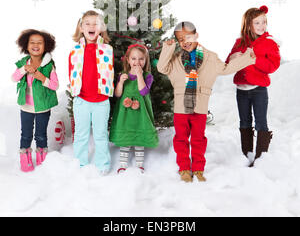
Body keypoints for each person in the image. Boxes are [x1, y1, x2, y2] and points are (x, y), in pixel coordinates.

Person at [157, 21, 256, 183]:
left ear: (196, 35)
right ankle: (183, 168)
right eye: (180, 39)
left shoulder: (210, 57)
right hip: (181, 108)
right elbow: (161, 68)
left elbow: (226, 68)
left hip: (200, 107)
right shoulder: (174, 59)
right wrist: (167, 48)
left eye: (188, 37)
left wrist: (247, 58)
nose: (185, 42)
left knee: (198, 139)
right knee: (181, 139)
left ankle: (198, 168)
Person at [226, 5, 280, 166]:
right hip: (241, 90)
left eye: (264, 22)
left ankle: (261, 157)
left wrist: (255, 58)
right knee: (244, 122)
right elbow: (229, 62)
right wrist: (236, 57)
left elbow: (273, 65)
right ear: (248, 24)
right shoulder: (239, 42)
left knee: (260, 122)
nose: (262, 26)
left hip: (258, 90)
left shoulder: (269, 43)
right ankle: (247, 154)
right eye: (257, 23)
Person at [68, 10, 114, 174]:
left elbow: (109, 72)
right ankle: (80, 164)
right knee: (81, 135)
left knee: (101, 135)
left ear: (101, 28)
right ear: (81, 27)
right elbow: (72, 72)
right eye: (87, 23)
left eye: (96, 23)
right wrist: (74, 90)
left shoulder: (107, 49)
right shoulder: (75, 51)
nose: (91, 26)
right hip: (81, 100)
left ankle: (103, 165)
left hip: (101, 101)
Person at [12, 29, 59, 172]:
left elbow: (55, 85)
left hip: (43, 107)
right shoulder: (23, 63)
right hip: (26, 107)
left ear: (46, 46)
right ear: (26, 46)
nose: (36, 45)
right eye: (32, 42)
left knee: (40, 134)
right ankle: (25, 160)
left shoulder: (49, 65)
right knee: (26, 134)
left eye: (40, 42)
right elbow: (13, 78)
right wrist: (23, 70)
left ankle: (42, 161)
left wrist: (41, 77)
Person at [109, 44, 158, 173]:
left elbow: (143, 91)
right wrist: (120, 83)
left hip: (140, 114)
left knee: (138, 139)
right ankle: (123, 164)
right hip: (125, 115)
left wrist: (140, 75)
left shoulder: (147, 76)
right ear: (128, 60)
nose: (137, 62)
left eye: (141, 59)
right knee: (126, 138)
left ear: (145, 61)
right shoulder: (123, 75)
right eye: (134, 59)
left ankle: (140, 164)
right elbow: (118, 94)